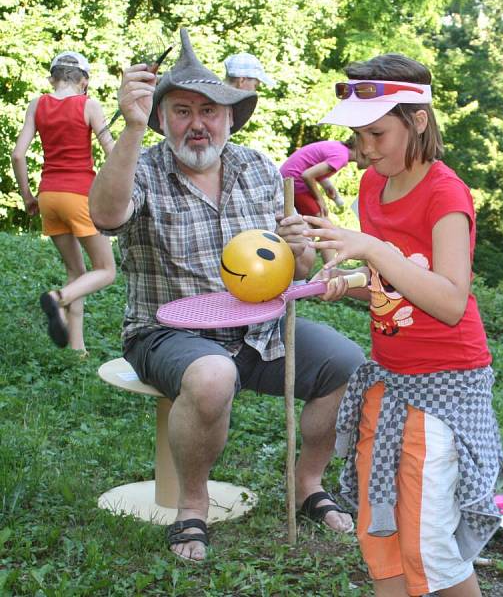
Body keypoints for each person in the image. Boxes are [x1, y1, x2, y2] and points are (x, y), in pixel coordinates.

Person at [88, 29, 364, 562]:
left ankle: (307, 484)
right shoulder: (142, 166)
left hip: (259, 327)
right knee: (213, 373)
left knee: (347, 365)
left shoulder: (258, 168)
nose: (198, 123)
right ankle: (193, 506)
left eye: (210, 111)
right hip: (166, 331)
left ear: (230, 118)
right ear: (162, 117)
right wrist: (131, 128)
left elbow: (292, 267)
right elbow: (104, 215)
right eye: (182, 110)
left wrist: (299, 250)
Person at [305, 53, 503, 597]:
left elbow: (449, 299)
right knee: (381, 527)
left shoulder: (445, 194)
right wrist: (344, 281)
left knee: (427, 543)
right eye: (357, 135)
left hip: (444, 387)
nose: (364, 149)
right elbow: (390, 278)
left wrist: (370, 247)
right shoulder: (373, 185)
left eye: (376, 133)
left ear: (417, 119)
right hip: (390, 380)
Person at [11, 50, 116, 354]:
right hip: (79, 196)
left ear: (52, 78)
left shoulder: (38, 104)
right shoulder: (89, 105)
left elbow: (18, 155)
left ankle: (77, 350)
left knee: (77, 273)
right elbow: (111, 151)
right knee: (106, 270)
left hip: (48, 196)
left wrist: (28, 197)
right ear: (84, 81)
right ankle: (56, 298)